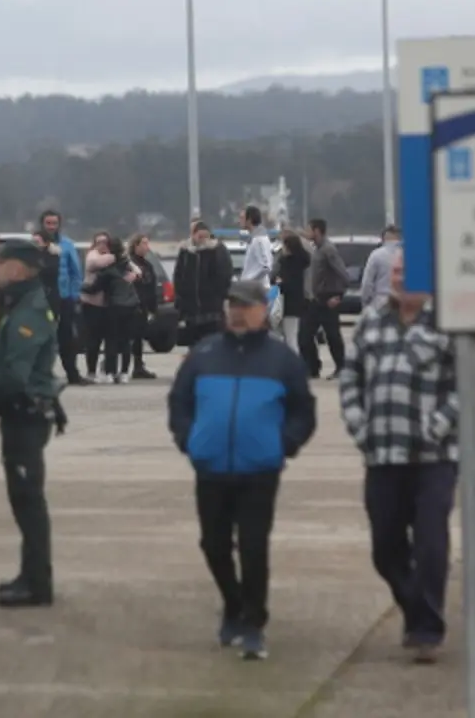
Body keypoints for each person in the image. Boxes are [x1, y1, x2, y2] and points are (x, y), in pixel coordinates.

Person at [167, 280, 316, 661]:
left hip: (259, 471)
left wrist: (283, 444)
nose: (237, 311)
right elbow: (179, 403)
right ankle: (233, 604)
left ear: (263, 311)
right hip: (211, 467)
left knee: (253, 547)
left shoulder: (282, 360)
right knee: (213, 544)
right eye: (232, 304)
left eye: (246, 305)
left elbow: (303, 411)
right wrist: (190, 440)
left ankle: (253, 623)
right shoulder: (204, 353)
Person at [338, 249, 459, 665]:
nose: (399, 277)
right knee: (385, 549)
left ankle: (425, 630)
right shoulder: (371, 320)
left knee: (429, 543)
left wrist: (437, 425)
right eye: (395, 271)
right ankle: (417, 607)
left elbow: (467, 384)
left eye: (408, 270)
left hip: (434, 457)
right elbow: (351, 376)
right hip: (382, 454)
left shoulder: (448, 323)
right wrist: (359, 425)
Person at [0, 240, 66, 609]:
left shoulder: (29, 310)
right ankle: (30, 574)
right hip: (26, 412)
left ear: (18, 268)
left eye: (0, 264)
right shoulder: (22, 303)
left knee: (27, 498)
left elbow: (16, 371)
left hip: (25, 414)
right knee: (24, 498)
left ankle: (37, 582)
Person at [38, 210, 88, 386]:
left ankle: (72, 374)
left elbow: (75, 273)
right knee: (43, 338)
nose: (51, 227)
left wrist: (75, 296)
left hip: (65, 297)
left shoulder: (67, 245)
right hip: (42, 299)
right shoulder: (36, 245)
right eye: (48, 223)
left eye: (54, 223)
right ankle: (44, 373)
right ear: (42, 224)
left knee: (67, 337)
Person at [301, 218, 350, 379]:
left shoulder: (328, 250)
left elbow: (343, 273)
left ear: (317, 231)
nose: (307, 232)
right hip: (316, 300)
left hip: (329, 300)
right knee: (305, 335)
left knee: (333, 336)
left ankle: (341, 367)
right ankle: (313, 367)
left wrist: (339, 296)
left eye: (309, 229)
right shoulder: (317, 249)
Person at [174, 221, 233, 347]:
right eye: (200, 236)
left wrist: (218, 295)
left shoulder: (217, 250)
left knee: (213, 344)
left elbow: (225, 276)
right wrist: (181, 298)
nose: (203, 240)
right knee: (194, 346)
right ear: (193, 235)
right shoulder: (186, 251)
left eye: (205, 236)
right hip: (191, 309)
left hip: (212, 309)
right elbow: (178, 276)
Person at [98, 234, 142, 384]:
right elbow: (140, 275)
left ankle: (110, 372)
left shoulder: (108, 269)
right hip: (131, 306)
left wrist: (83, 289)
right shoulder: (128, 265)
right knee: (125, 341)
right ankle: (124, 372)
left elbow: (97, 286)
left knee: (111, 341)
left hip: (114, 307)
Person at [77, 232, 113, 383]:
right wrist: (112, 258)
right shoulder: (92, 255)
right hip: (91, 303)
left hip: (110, 304)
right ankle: (91, 371)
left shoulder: (113, 257)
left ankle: (107, 370)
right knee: (93, 340)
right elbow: (94, 264)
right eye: (99, 242)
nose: (102, 245)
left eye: (105, 242)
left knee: (110, 340)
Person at [126, 233, 159, 380]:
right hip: (132, 305)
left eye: (147, 243)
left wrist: (153, 308)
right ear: (136, 246)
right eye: (144, 244)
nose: (147, 247)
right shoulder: (130, 264)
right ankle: (114, 365)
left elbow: (151, 287)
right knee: (128, 337)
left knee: (139, 338)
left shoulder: (148, 265)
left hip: (144, 305)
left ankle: (138, 366)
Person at [273, 230, 310, 354]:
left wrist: (280, 282)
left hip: (290, 306)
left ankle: (294, 366)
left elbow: (290, 284)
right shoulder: (288, 262)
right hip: (285, 305)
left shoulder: (293, 264)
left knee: (291, 338)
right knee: (281, 338)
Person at [360, 224, 401, 302]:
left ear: (383, 239)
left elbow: (367, 283)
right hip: (402, 301)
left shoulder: (376, 255)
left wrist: (365, 300)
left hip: (380, 300)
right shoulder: (408, 255)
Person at [238, 206, 273, 288]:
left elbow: (266, 266)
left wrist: (249, 281)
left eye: (242, 218)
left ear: (249, 220)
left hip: (256, 290)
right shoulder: (254, 238)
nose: (239, 221)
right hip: (252, 288)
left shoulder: (259, 239)